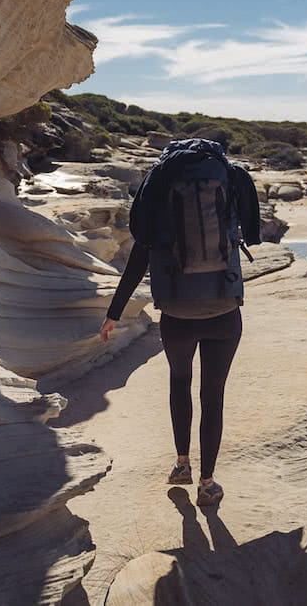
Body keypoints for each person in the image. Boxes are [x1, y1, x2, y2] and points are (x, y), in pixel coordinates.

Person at [99, 139, 261, 507]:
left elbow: (136, 264)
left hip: (176, 313)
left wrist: (113, 314)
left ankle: (182, 465)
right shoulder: (227, 186)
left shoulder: (158, 201)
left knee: (180, 382)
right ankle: (208, 483)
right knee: (213, 395)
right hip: (224, 311)